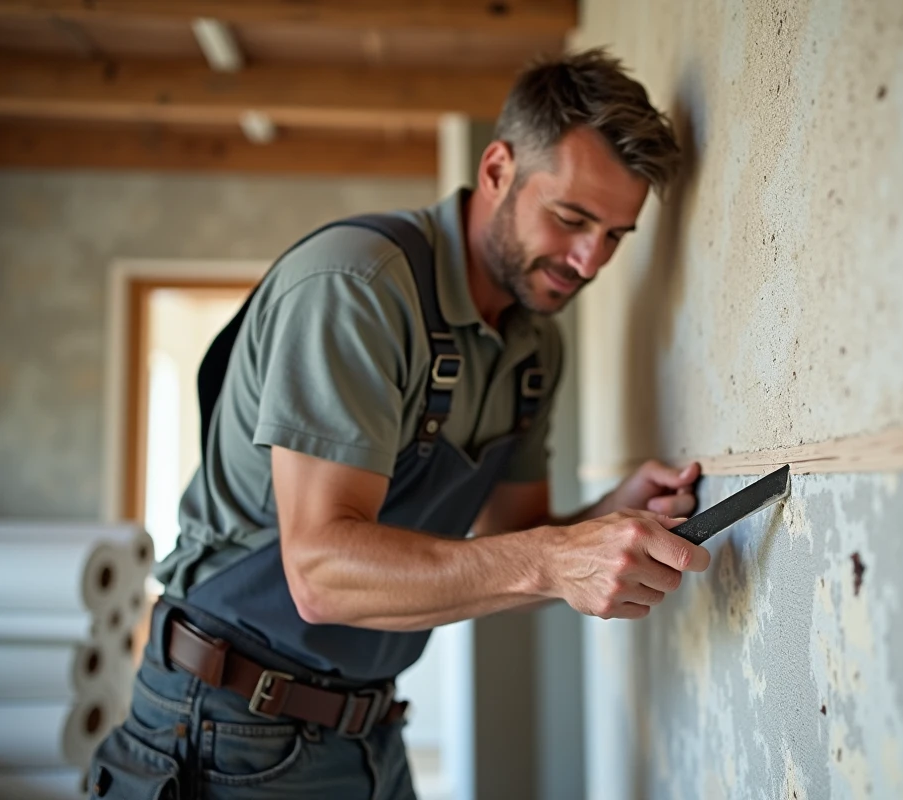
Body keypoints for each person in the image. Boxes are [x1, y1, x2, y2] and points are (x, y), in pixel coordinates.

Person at [89, 48, 710, 799]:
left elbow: (525, 532)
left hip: (369, 732)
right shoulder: (358, 289)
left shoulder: (534, 344)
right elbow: (320, 572)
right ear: (496, 169)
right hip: (225, 727)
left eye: (616, 235)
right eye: (572, 218)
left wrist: (608, 519)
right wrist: (554, 557)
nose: (589, 261)